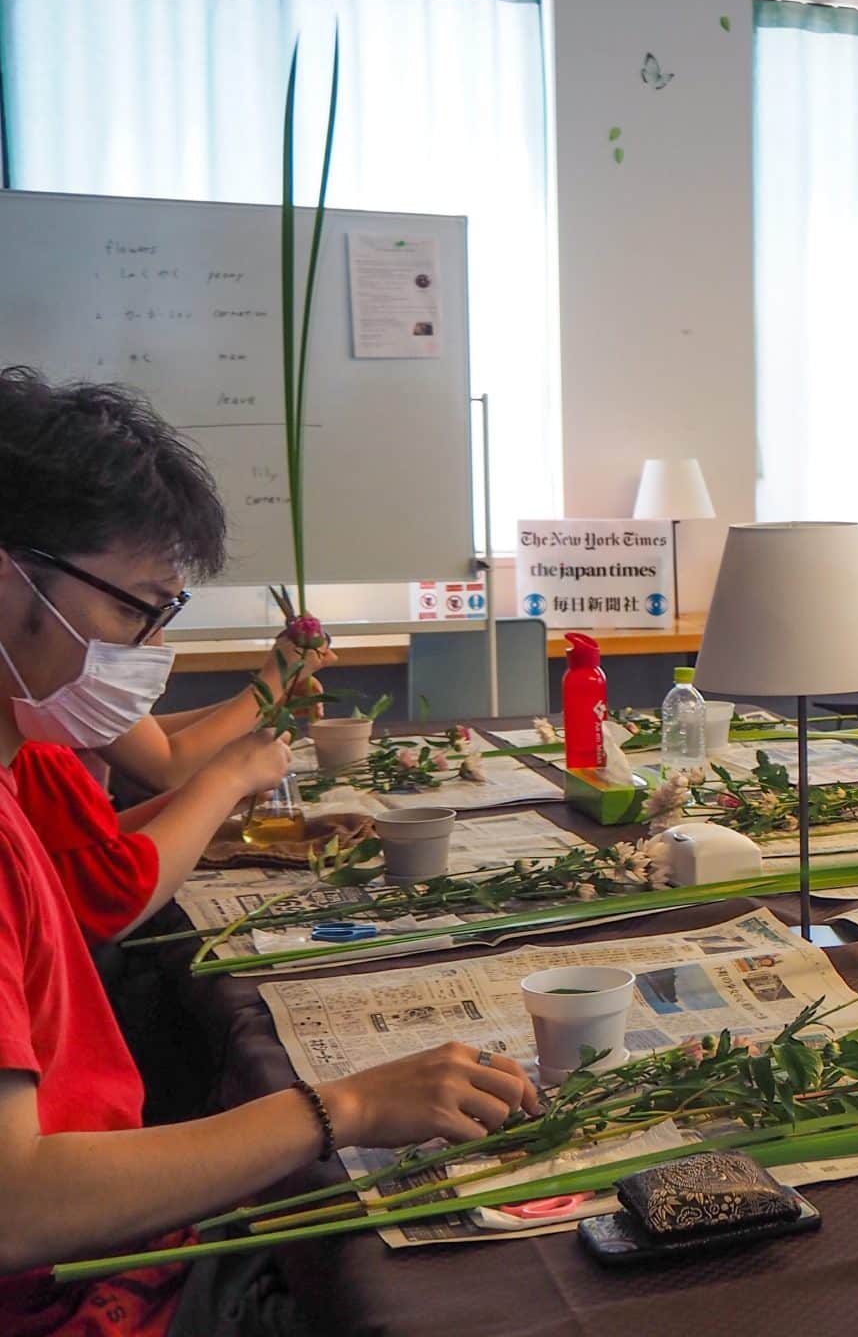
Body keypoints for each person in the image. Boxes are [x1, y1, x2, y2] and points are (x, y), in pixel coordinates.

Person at [0, 377, 550, 1335]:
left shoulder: (14, 775)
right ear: (12, 584)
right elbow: (19, 1207)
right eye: (139, 610)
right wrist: (347, 1105)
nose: (150, 647)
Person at [0, 373, 330, 933]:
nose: (155, 647)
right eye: (135, 610)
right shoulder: (38, 732)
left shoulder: (30, 742)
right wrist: (228, 772)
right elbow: (163, 772)